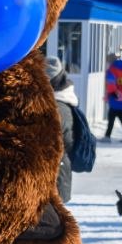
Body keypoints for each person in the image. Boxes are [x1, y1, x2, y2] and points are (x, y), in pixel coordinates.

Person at [43, 55, 77, 201]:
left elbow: (66, 141)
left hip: (55, 174)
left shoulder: (58, 107)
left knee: (51, 221)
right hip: (56, 172)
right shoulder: (62, 101)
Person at [101, 51, 122, 141]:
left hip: (115, 96)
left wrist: (113, 93)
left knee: (111, 117)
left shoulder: (112, 69)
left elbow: (111, 83)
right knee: (121, 117)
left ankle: (107, 137)